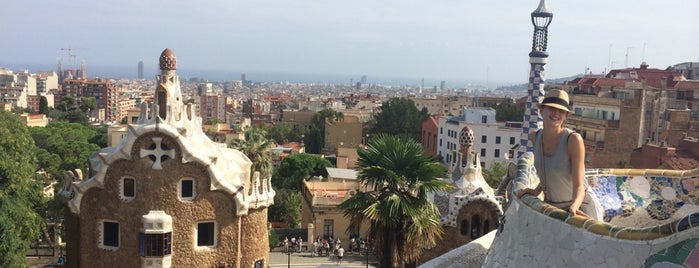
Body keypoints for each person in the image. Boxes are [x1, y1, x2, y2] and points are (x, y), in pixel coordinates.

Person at [516, 89, 603, 220]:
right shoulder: (535, 137)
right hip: (553, 207)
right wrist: (536, 191)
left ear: (566, 116)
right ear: (542, 111)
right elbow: (550, 172)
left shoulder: (573, 140)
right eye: (551, 108)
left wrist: (574, 207)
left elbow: (579, 184)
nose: (556, 113)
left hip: (580, 208)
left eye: (561, 111)